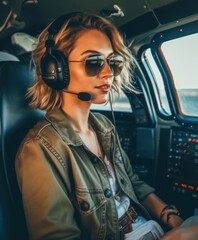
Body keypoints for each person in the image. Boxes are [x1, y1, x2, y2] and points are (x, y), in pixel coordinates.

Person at [15, 12, 188, 240]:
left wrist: (171, 218)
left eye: (113, 62)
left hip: (148, 227)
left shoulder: (103, 126)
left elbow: (132, 182)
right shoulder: (40, 148)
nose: (108, 74)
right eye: (94, 62)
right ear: (55, 69)